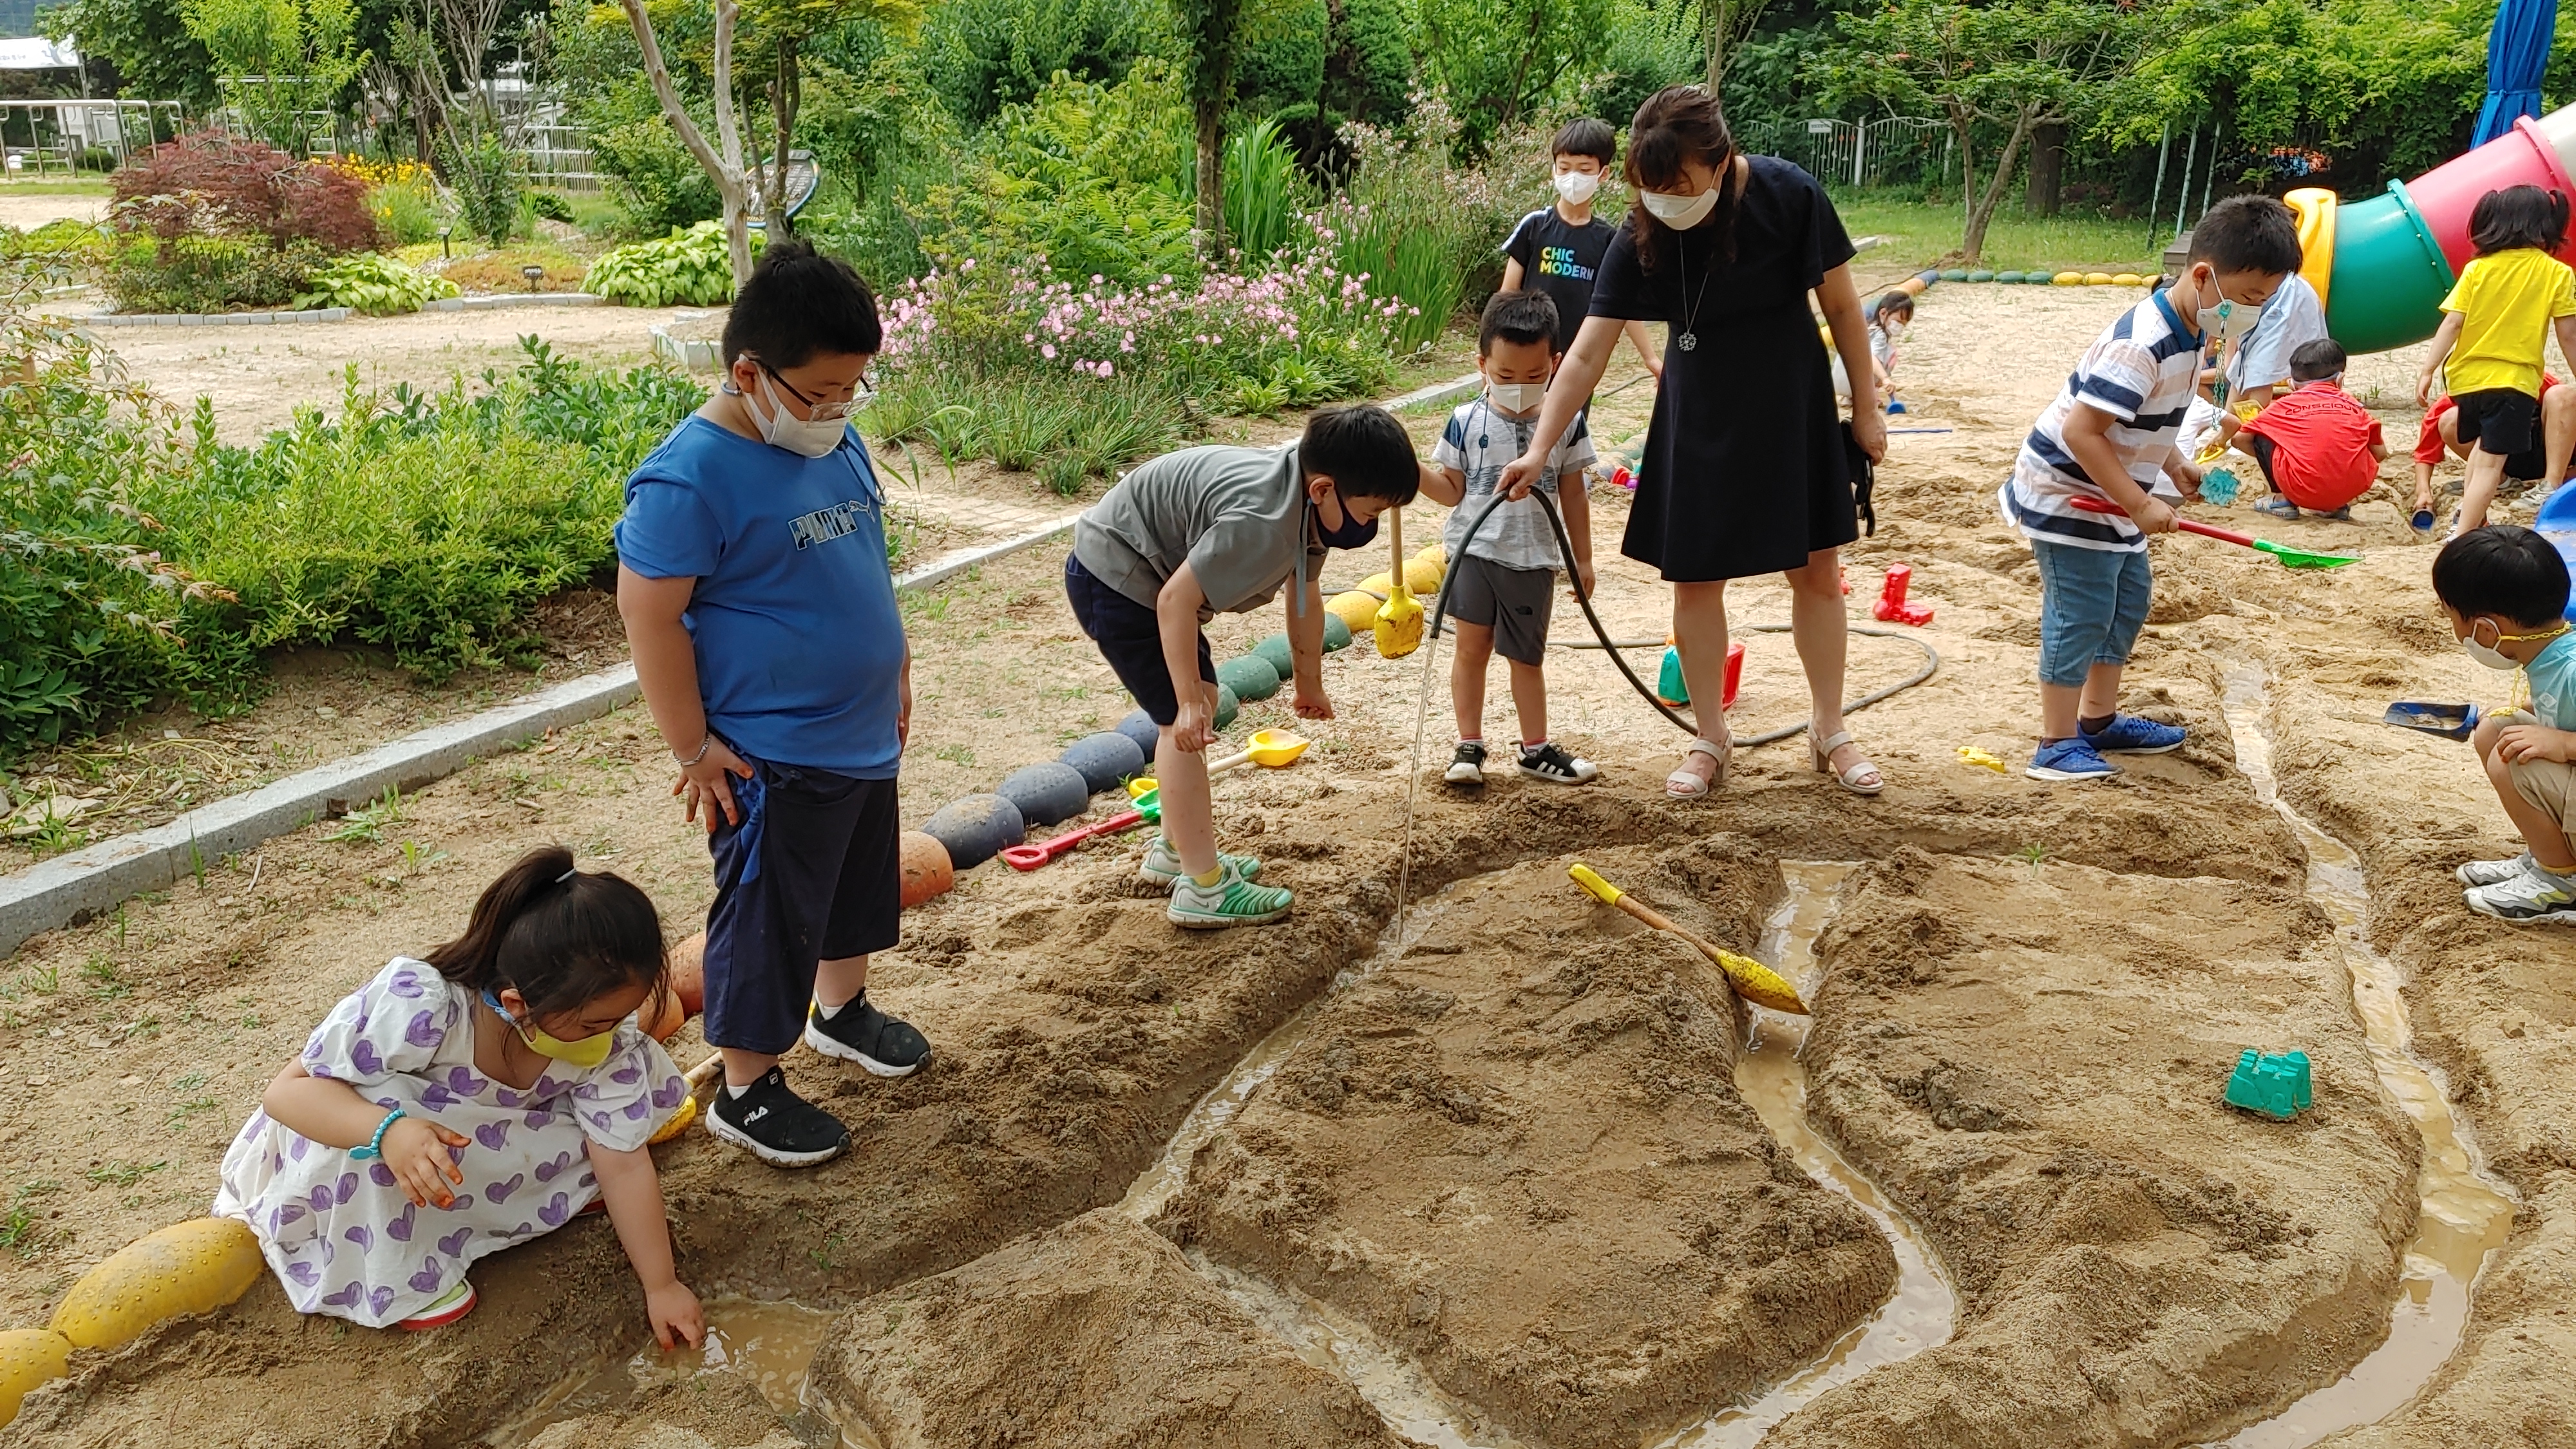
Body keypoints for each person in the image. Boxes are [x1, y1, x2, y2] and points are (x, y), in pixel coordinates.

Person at [616, 239, 927, 1170]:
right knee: (766, 912)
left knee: (851, 888)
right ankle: (746, 1086)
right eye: (821, 392)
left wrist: (897, 664)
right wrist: (692, 748)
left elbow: (863, 564)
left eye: (854, 389)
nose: (838, 410)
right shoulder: (689, 477)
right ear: (749, 372)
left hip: (862, 732)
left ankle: (842, 1011)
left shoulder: (838, 442)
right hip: (772, 751)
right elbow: (650, 617)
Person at [1499, 85, 1888, 800]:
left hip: (1789, 405)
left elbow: (1841, 306)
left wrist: (1865, 408)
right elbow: (1585, 355)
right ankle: (1710, 734)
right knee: (1695, 578)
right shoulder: (1643, 227)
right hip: (1697, 412)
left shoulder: (1789, 195)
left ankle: (1829, 726)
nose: (1663, 201)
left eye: (1677, 185)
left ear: (1721, 160)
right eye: (1648, 189)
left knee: (1815, 571)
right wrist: (1538, 449)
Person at [215, 846, 701, 1342]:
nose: (610, 1034)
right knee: (385, 1125)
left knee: (603, 1135)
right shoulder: (422, 1008)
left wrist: (661, 1285)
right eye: (593, 1023)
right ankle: (397, 1271)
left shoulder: (601, 1047)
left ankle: (515, 1205)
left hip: (474, 1146)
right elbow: (286, 1094)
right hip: (368, 1147)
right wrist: (386, 1131)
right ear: (517, 1004)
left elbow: (622, 1161)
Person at [1066, 404, 1428, 926]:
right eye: (1370, 513)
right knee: (1182, 725)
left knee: (1203, 706)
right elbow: (1175, 603)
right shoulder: (1262, 521)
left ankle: (1174, 850)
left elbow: (1304, 590)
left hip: (1144, 573)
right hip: (1119, 577)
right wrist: (1187, 704)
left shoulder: (1305, 494)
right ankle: (1204, 887)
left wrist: (1309, 683)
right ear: (1324, 489)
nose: (1368, 526)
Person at [2002, 193, 2299, 782]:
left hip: (2115, 493)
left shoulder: (2193, 333)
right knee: (2081, 611)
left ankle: (2098, 719)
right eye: (2246, 299)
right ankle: (2056, 742)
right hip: (2070, 492)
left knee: (2129, 599)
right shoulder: (2142, 344)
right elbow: (2082, 431)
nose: (2251, 313)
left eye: (2264, 303)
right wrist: (2138, 501)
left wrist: (2175, 467)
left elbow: (2150, 422)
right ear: (2202, 275)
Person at [1423, 290, 1600, 788]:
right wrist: (1412, 472)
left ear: (1555, 364)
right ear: (1482, 364)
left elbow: (1575, 495)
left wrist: (1582, 561)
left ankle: (1535, 748)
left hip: (1531, 559)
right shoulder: (1464, 421)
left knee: (1526, 656)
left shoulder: (1565, 423)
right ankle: (1469, 745)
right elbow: (1450, 490)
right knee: (1471, 649)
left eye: (1533, 376)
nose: (1518, 387)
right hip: (1471, 554)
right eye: (1504, 376)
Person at [2416, 184, 2576, 536]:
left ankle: (2465, 518)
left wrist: (2428, 369)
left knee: (2481, 453)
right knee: (2491, 464)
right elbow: (2568, 336)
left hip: (2467, 381)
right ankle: (2463, 535)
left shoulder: (2478, 269)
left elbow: (2453, 322)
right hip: (2512, 381)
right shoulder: (2556, 274)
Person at [2439, 526, 2576, 923]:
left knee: (2514, 756)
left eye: (2453, 618)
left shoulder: (2570, 668)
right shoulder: (2552, 652)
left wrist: (2565, 746)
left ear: (2487, 629)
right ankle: (2547, 859)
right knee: (2496, 729)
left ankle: (2561, 883)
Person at [1500, 117, 1663, 381]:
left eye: (1584, 169)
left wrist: (1651, 358)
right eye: (1565, 168)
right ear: (1554, 170)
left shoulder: (1610, 240)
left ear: (1603, 173)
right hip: (1529, 356)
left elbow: (1623, 303)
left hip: (1579, 359)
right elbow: (1506, 296)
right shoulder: (1534, 227)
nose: (1573, 177)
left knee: (1571, 421)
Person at [2219, 338, 2388, 520]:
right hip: (2349, 490)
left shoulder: (2283, 407)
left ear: (2292, 384)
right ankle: (2335, 506)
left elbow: (2239, 440)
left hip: (2300, 488)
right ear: (2340, 380)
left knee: (2263, 435)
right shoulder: (2355, 407)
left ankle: (2283, 500)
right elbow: (2380, 453)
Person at [2410, 374, 2576, 534]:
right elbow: (2425, 451)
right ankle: (2500, 483)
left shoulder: (2533, 378)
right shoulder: (2457, 395)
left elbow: (2567, 414)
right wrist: (2423, 492)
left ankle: (2551, 485)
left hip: (2547, 449)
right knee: (2450, 420)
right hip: (2503, 459)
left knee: (2561, 395)